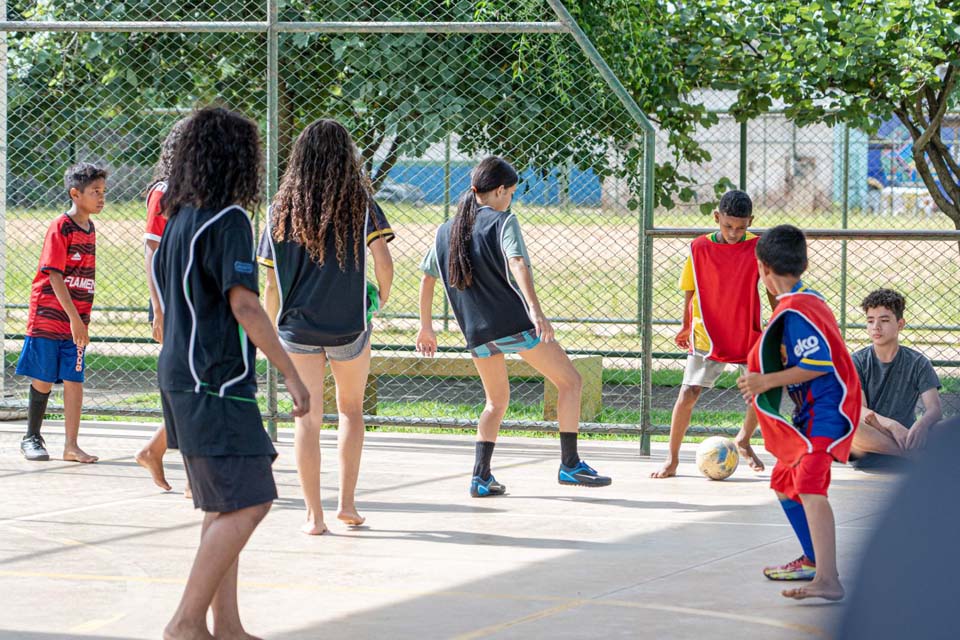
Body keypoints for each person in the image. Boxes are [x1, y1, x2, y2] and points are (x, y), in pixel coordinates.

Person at [153, 107, 309, 640]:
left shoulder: (177, 221)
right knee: (252, 500)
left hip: (180, 376)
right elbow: (245, 304)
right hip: (214, 381)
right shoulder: (230, 220)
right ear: (237, 158)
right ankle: (184, 623)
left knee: (223, 504)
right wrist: (291, 374)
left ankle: (227, 626)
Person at [416, 156, 611, 497]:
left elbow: (427, 278)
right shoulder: (504, 221)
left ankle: (480, 477)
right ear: (500, 191)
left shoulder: (445, 230)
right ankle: (569, 464)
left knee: (496, 402)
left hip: (476, 332)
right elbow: (517, 261)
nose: (511, 200)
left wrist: (426, 327)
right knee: (571, 382)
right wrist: (536, 311)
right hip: (514, 324)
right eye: (511, 193)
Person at [259, 119, 395, 535]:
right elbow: (384, 262)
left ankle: (313, 516)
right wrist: (379, 300)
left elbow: (270, 284)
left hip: (296, 330)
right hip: (349, 326)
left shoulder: (281, 209)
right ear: (345, 156)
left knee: (307, 418)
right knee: (351, 411)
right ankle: (347, 505)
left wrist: (271, 331)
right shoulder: (360, 203)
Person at [737, 224, 861, 601]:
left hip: (828, 411)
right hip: (810, 414)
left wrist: (766, 380)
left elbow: (816, 364)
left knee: (809, 485)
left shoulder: (798, 310)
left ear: (762, 269)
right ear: (802, 264)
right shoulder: (802, 303)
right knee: (783, 481)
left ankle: (828, 578)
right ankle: (812, 559)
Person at [652, 190, 775, 479]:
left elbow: (772, 290)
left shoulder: (759, 248)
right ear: (717, 217)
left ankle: (743, 440)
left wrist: (780, 322)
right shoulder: (698, 248)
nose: (733, 233)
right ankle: (671, 459)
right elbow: (690, 289)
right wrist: (685, 324)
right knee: (688, 392)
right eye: (728, 225)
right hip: (708, 331)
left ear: (750, 222)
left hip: (746, 331)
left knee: (760, 392)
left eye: (740, 227)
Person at [16, 162, 106, 464]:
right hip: (50, 316)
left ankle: (71, 446)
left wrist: (80, 320)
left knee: (74, 378)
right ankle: (31, 437)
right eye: (95, 192)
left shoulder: (90, 228)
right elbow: (54, 275)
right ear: (75, 194)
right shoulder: (61, 226)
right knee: (43, 378)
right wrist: (74, 319)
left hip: (76, 320)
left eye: (103, 192)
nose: (101, 197)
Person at [135, 118, 191, 493]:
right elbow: (151, 251)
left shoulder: (195, 189)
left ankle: (155, 449)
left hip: (191, 299)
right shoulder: (163, 191)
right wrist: (159, 308)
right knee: (188, 385)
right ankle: (191, 474)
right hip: (171, 302)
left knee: (193, 384)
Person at [849, 288, 942, 467]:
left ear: (900, 324)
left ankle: (910, 451)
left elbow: (935, 409)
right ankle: (912, 456)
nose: (876, 327)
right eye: (870, 321)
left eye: (884, 320)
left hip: (908, 437)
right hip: (870, 446)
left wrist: (922, 424)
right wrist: (891, 425)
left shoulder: (918, 362)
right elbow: (859, 410)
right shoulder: (857, 361)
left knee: (950, 426)